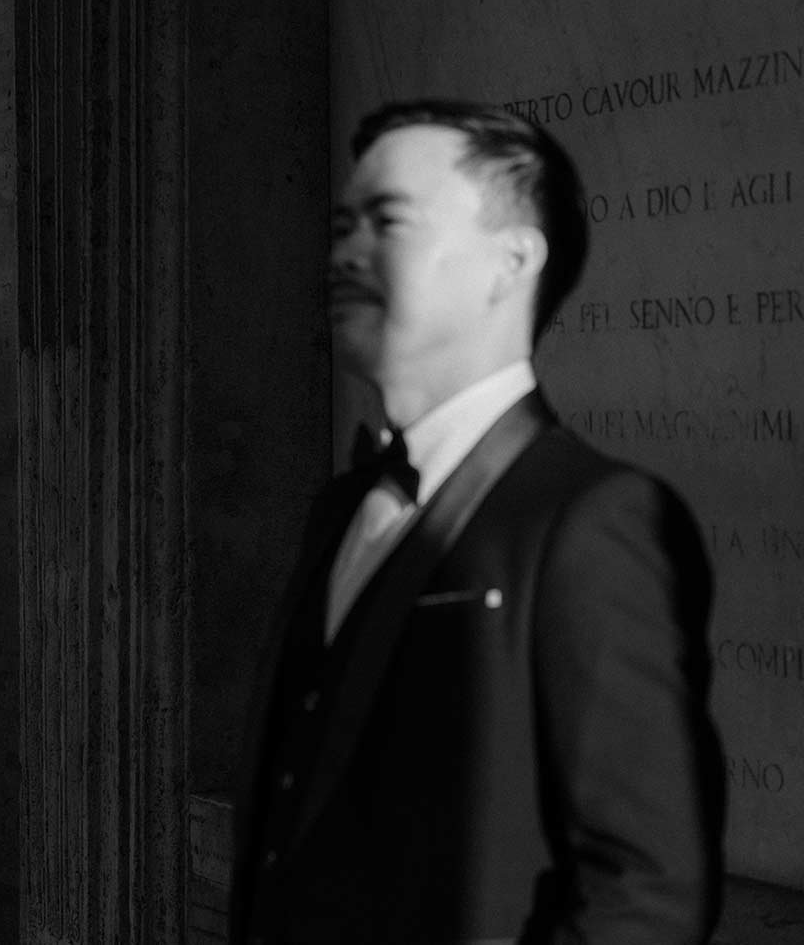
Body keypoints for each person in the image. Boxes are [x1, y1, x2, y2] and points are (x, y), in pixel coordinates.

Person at [230, 100, 725, 944]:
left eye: (388, 220)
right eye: (342, 223)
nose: (345, 251)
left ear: (512, 259)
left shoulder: (594, 518)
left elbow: (646, 890)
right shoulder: (340, 508)